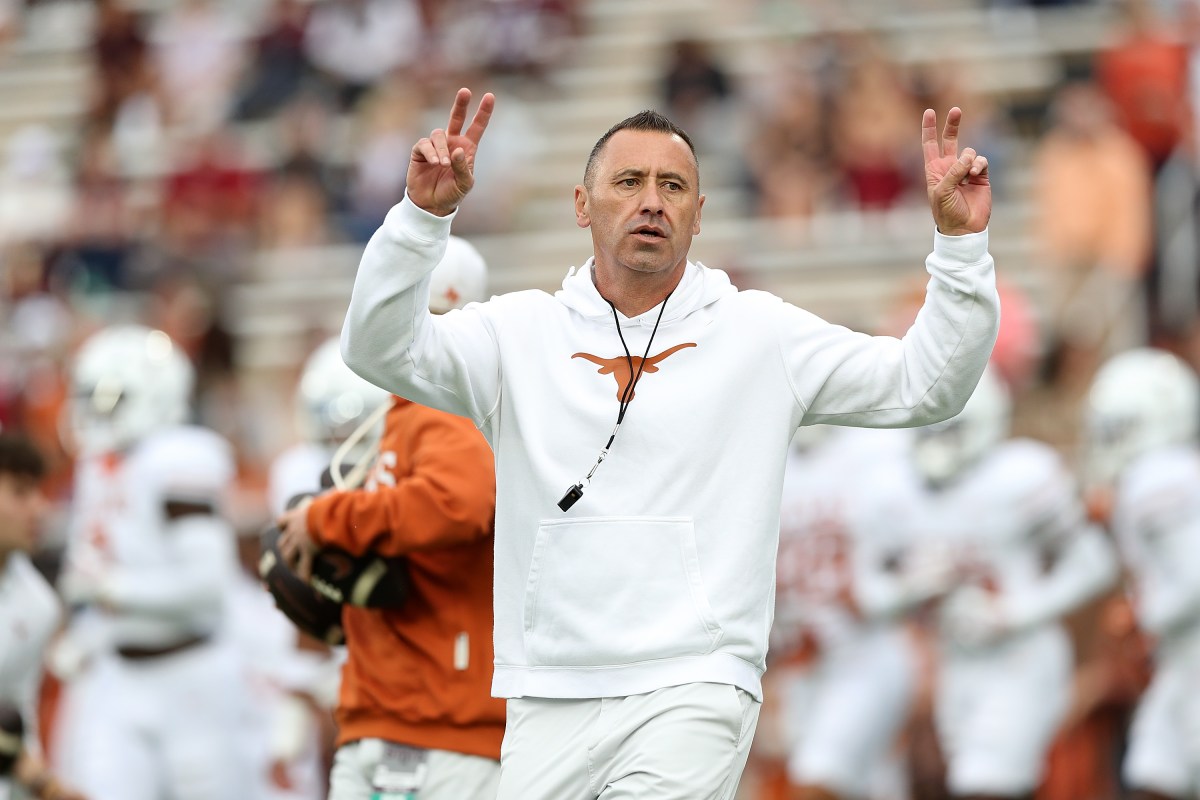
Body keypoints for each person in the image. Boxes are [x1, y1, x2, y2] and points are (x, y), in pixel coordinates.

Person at [338, 87, 1000, 799]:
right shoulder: (516, 332)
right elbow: (378, 349)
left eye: (673, 186)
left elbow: (927, 385)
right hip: (547, 687)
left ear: (698, 213)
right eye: (629, 182)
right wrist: (420, 219)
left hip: (695, 680)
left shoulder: (760, 333)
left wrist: (960, 249)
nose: (652, 202)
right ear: (582, 205)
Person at [277, 237, 503, 800]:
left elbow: (459, 502)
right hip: (398, 714)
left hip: (436, 725)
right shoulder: (407, 407)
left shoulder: (443, 403)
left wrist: (326, 520)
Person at [883, 368, 1118, 800]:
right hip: (954, 661)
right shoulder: (899, 488)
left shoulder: (1019, 476)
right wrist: (908, 591)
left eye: (950, 429)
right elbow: (877, 593)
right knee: (968, 783)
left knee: (986, 784)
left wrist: (1013, 613)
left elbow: (1094, 564)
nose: (938, 442)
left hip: (1018, 659)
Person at [51, 324, 248, 800]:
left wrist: (113, 591)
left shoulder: (179, 456)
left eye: (108, 397)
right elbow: (90, 567)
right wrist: (86, 634)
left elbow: (207, 585)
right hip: (119, 670)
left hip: (192, 674)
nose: (94, 411)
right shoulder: (98, 463)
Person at [772, 426, 918, 800]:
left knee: (813, 782)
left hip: (865, 656)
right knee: (869, 787)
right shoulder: (765, 453)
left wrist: (883, 594)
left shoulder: (880, 447)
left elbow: (930, 545)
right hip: (802, 667)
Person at [1084, 348, 1200, 800]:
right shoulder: (1174, 472)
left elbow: (1193, 578)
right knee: (1155, 772)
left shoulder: (1157, 478)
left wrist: (1141, 615)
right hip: (1181, 660)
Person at [0, 432, 85, 800]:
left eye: (39, 491)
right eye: (20, 493)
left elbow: (15, 714)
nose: (39, 508)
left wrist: (40, 786)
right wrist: (38, 780)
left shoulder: (38, 603)